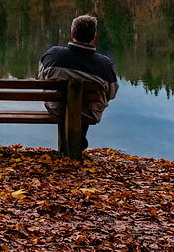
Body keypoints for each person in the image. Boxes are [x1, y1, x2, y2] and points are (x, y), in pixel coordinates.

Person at [37, 14, 118, 150]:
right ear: (94, 36)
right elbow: (112, 93)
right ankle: (75, 143)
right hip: (88, 111)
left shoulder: (53, 55)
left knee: (64, 105)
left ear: (72, 33)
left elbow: (41, 80)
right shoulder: (105, 65)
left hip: (57, 107)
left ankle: (67, 147)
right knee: (80, 108)